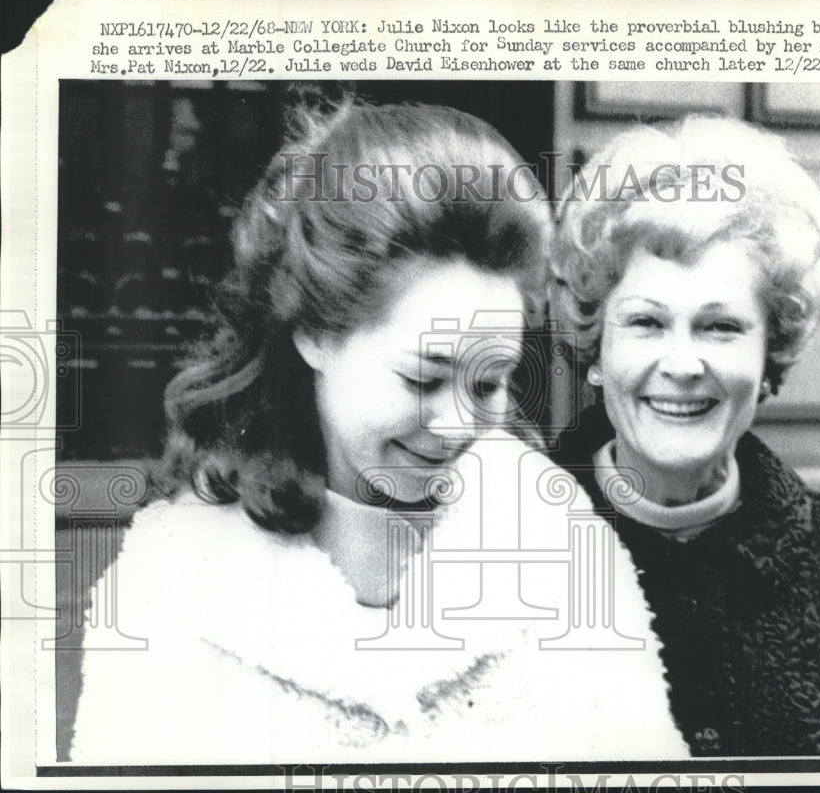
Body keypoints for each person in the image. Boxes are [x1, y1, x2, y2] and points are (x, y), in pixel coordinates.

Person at [70, 99, 688, 763]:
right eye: (422, 379)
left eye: (488, 383)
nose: (456, 426)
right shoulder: (177, 581)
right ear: (314, 332)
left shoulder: (557, 539)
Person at [549, 115, 820, 756]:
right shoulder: (509, 543)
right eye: (645, 321)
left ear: (770, 353)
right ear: (595, 344)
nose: (682, 364)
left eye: (720, 327)